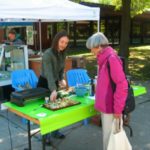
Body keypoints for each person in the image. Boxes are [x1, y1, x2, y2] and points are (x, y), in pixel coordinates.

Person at [86, 32, 128, 150]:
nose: (91, 52)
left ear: (99, 46)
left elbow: (122, 85)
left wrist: (118, 110)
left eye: (92, 48)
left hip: (111, 108)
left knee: (110, 141)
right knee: (108, 139)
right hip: (107, 107)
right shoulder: (104, 59)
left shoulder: (111, 59)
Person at [37, 30, 69, 145]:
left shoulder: (62, 53)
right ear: (56, 40)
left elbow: (61, 69)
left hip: (54, 83)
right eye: (62, 42)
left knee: (57, 108)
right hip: (45, 84)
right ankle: (45, 136)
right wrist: (53, 90)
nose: (63, 45)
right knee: (46, 112)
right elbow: (49, 74)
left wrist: (61, 79)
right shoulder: (47, 54)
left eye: (66, 43)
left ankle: (55, 131)